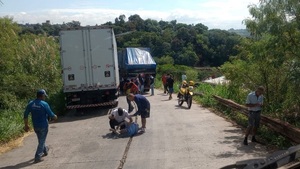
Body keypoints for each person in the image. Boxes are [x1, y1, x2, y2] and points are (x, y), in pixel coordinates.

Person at [23, 89, 58, 163]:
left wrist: (26, 125)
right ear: (42, 96)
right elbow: (51, 114)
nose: (45, 97)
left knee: (41, 139)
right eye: (44, 96)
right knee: (41, 141)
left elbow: (25, 115)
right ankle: (37, 157)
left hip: (35, 126)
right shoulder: (44, 104)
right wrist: (55, 117)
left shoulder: (31, 104)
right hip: (43, 126)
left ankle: (45, 150)